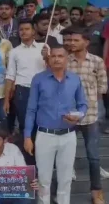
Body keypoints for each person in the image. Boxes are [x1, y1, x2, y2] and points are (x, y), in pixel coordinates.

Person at [24, 44, 88, 204]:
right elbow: (31, 109)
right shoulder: (38, 79)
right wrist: (27, 136)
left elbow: (83, 105)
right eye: (53, 56)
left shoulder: (75, 79)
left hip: (68, 135)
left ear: (67, 59)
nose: (57, 59)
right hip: (45, 135)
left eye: (60, 56)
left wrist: (78, 117)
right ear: (49, 58)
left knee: (65, 179)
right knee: (44, 179)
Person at [67, 28, 107, 203]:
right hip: (69, 117)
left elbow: (102, 87)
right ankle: (64, 192)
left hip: (90, 116)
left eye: (76, 40)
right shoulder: (65, 61)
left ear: (86, 42)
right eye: (71, 40)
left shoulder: (97, 62)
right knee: (66, 156)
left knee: (93, 156)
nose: (72, 43)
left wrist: (91, 102)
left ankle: (96, 192)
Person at [3, 19, 46, 164]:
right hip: (23, 91)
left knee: (41, 126)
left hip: (42, 91)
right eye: (21, 29)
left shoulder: (43, 47)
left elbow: (52, 68)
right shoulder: (14, 52)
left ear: (33, 30)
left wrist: (47, 56)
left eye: (27, 29)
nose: (23, 32)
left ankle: (42, 159)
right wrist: (6, 100)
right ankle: (29, 161)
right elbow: (10, 76)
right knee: (24, 126)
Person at [0, 123, 38, 204]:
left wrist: (30, 181)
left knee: (26, 199)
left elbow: (23, 171)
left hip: (14, 189)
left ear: (5, 140)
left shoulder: (14, 149)